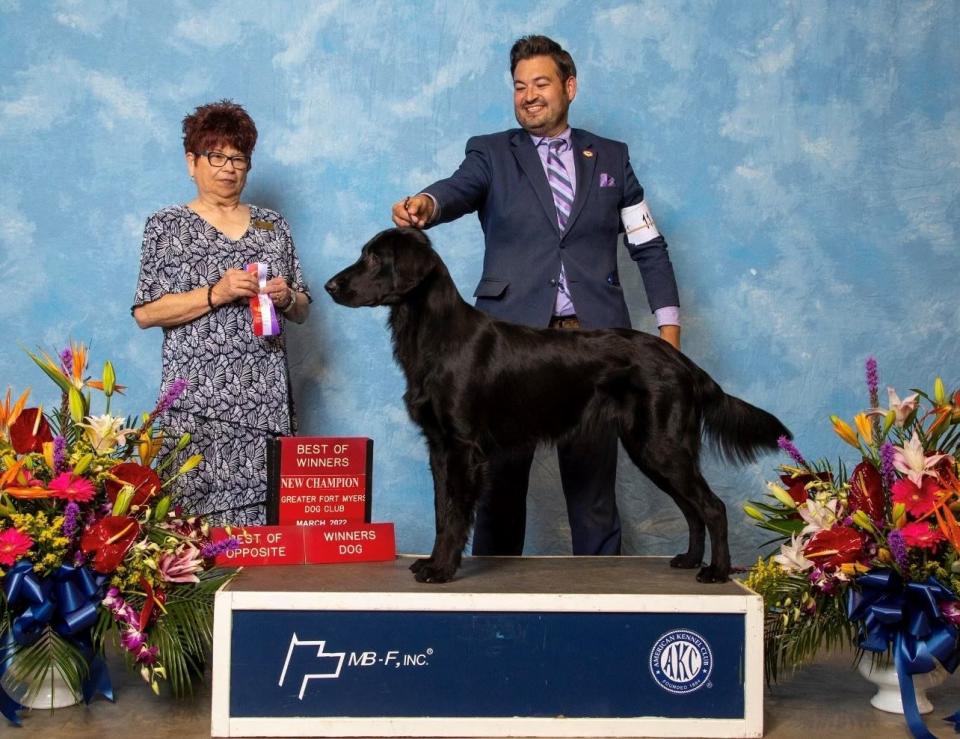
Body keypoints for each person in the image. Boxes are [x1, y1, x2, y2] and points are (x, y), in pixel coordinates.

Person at [392, 35, 681, 557]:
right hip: (506, 349)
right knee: (497, 489)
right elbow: (456, 190)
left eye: (541, 83)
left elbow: (648, 244)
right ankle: (495, 615)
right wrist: (427, 203)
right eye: (520, 86)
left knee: (594, 493)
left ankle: (601, 609)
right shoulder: (490, 152)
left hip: (592, 351)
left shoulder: (612, 157)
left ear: (569, 87)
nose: (529, 95)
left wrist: (669, 332)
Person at [133, 100, 311, 526]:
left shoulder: (273, 225)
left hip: (265, 402)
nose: (229, 168)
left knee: (265, 529)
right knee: (189, 528)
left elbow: (303, 310)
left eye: (239, 158)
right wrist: (216, 292)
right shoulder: (166, 225)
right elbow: (146, 312)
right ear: (191, 162)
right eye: (216, 156)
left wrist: (287, 297)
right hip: (194, 402)